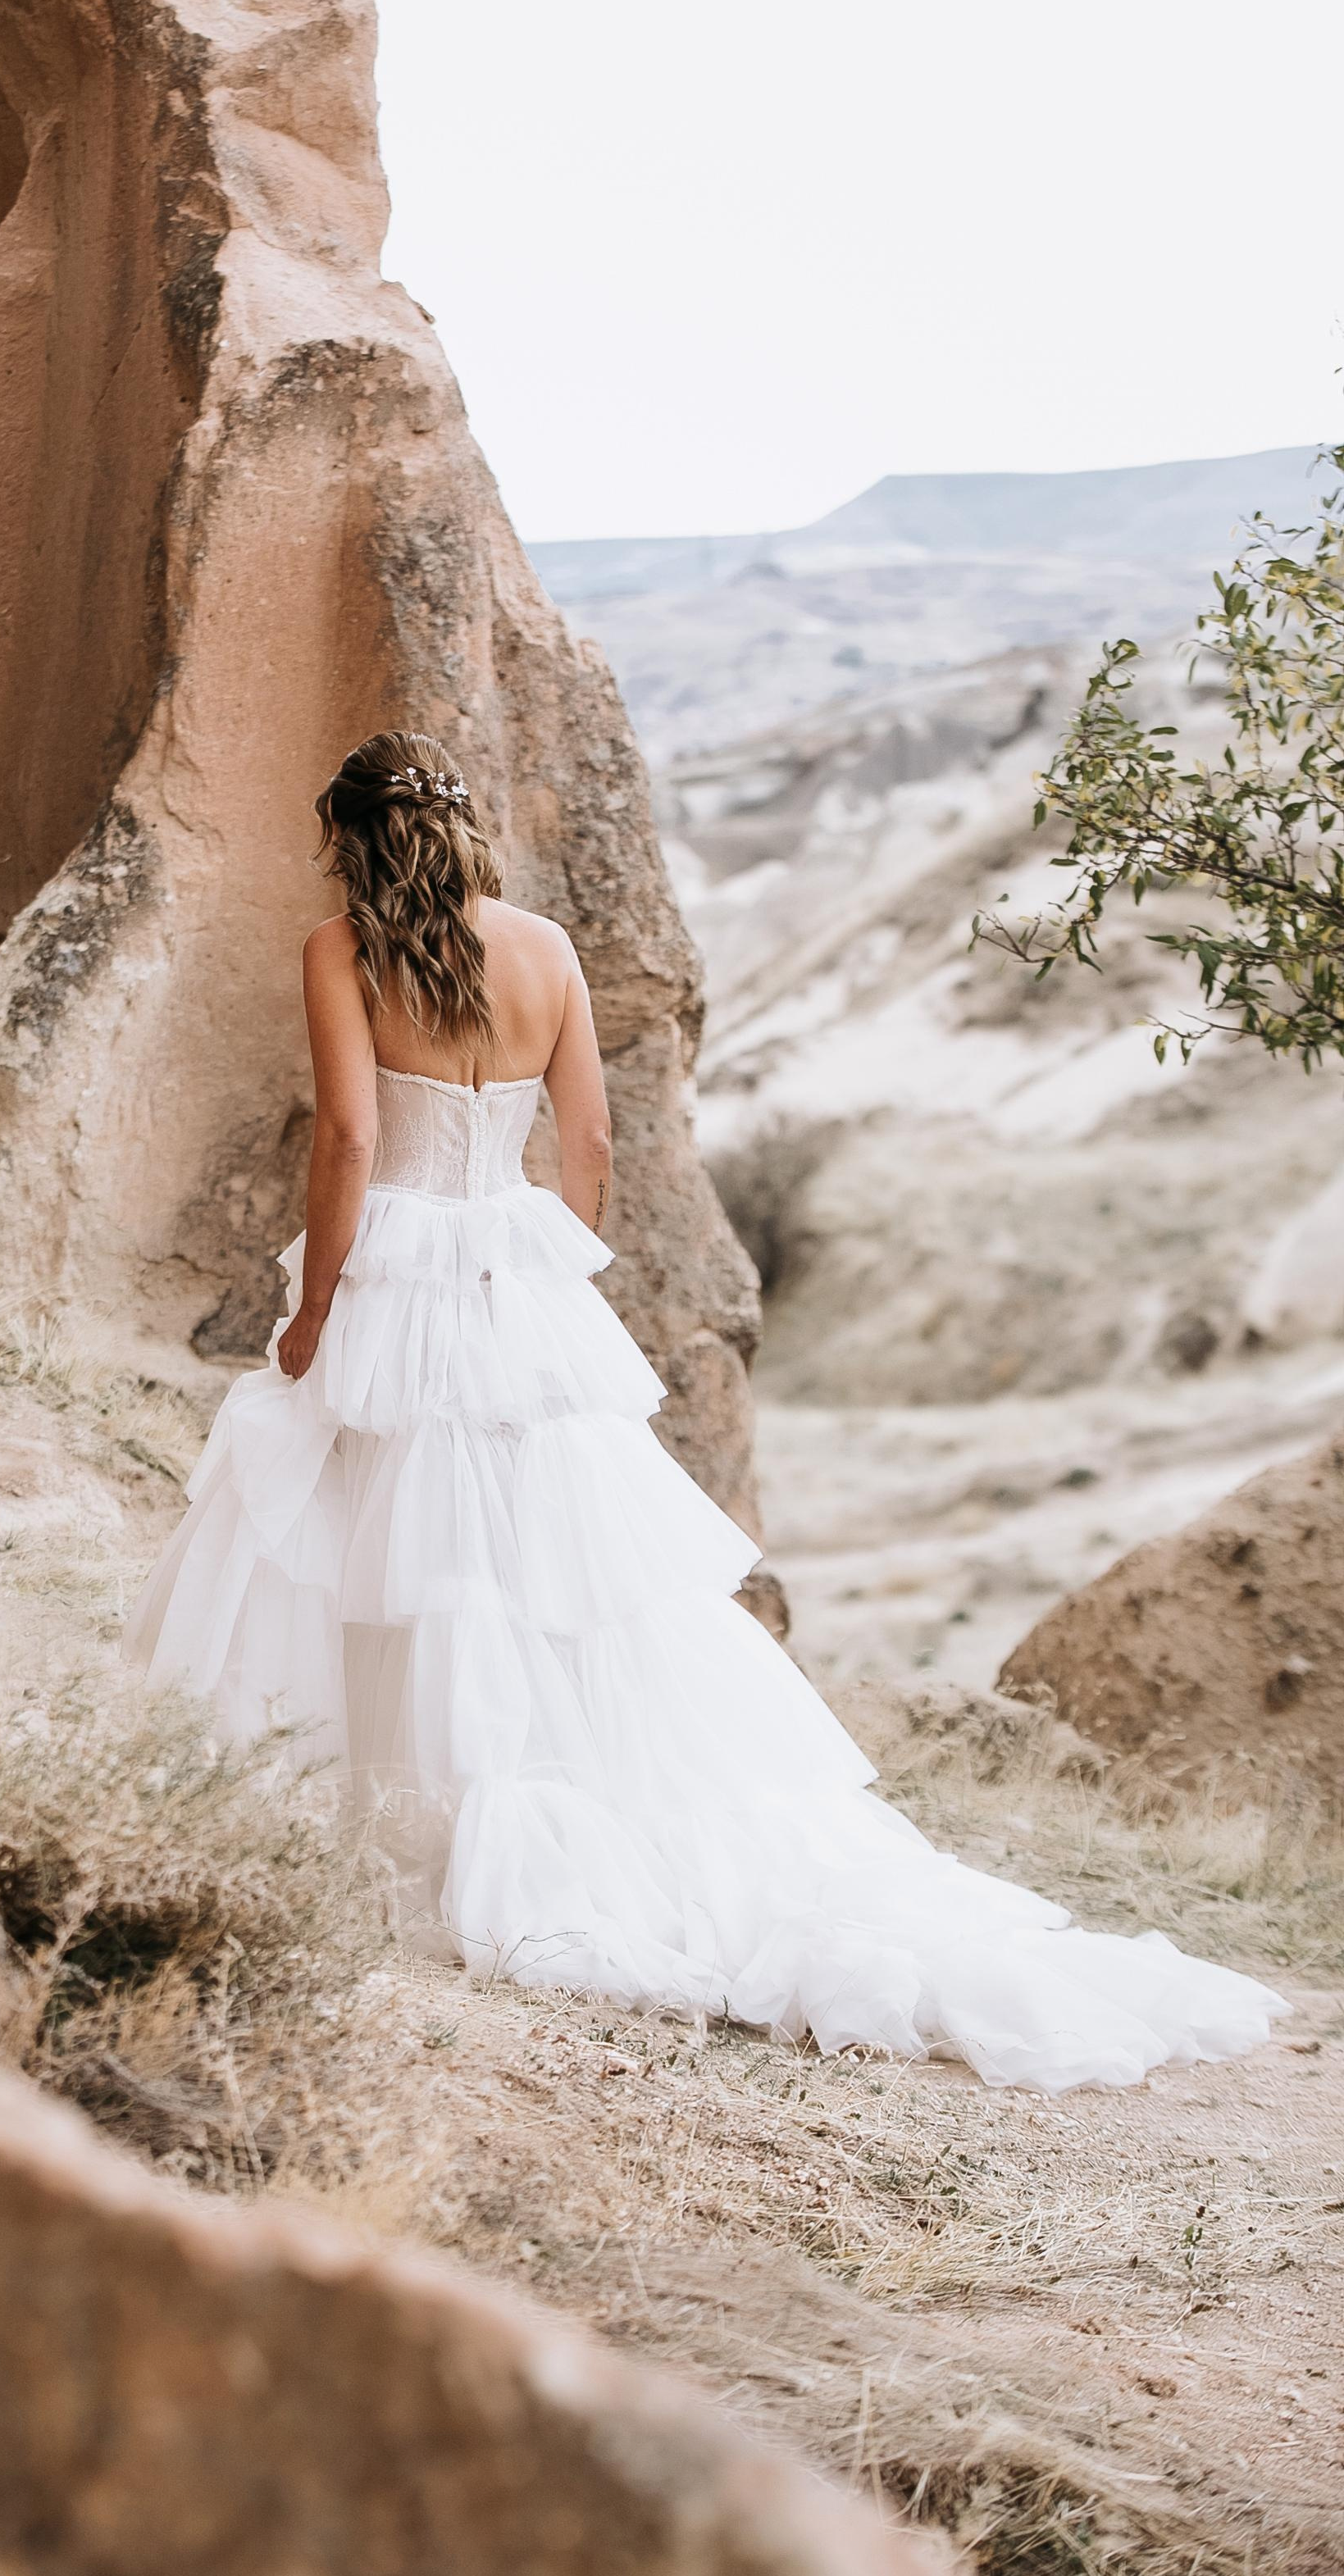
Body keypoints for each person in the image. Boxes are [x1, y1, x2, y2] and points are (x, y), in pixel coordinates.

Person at [126, 731, 1287, 2093]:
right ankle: (551, 1799)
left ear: (352, 837)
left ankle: (418, 1813)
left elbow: (349, 1140)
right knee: (549, 1571)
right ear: (461, 825)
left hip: (396, 1260)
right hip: (517, 1268)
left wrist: (318, 1306)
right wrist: (543, 1270)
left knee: (399, 1550)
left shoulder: (341, 952)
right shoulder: (548, 949)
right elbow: (594, 1145)